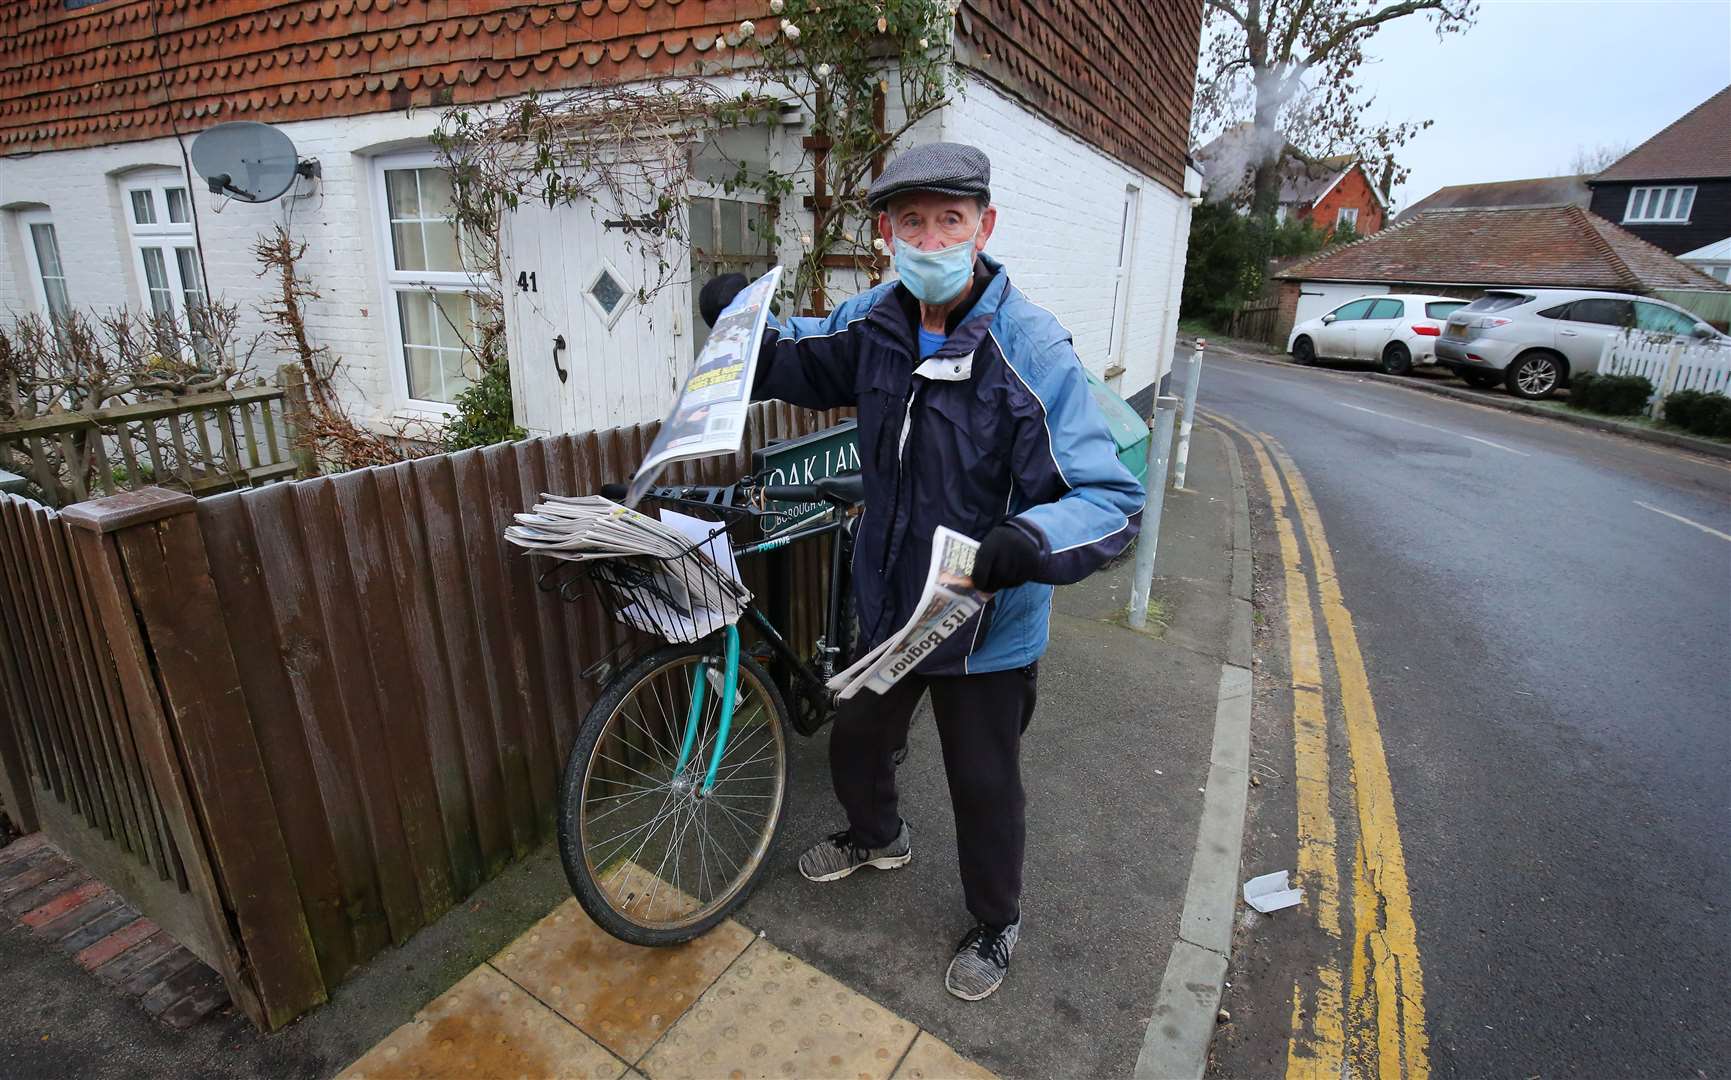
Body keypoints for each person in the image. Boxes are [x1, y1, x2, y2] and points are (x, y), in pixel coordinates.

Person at [703, 142, 1144, 1000]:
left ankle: (995, 921)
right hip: (892, 604)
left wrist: (1029, 538)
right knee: (860, 740)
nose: (932, 238)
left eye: (950, 219)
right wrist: (740, 330)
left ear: (984, 226)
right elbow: (800, 353)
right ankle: (877, 836)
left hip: (986, 618)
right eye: (913, 221)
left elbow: (1109, 495)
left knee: (984, 782)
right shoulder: (874, 319)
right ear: (886, 234)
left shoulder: (1030, 347)